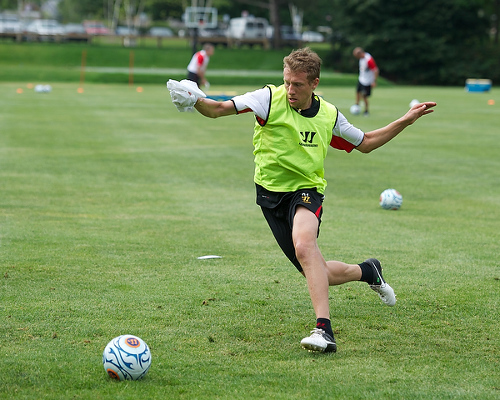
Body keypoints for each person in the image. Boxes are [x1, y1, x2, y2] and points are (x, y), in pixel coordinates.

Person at [168, 47, 436, 353]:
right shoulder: (268, 98)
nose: (290, 90)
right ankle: (367, 271)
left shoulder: (329, 115)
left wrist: (405, 120)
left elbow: (367, 143)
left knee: (305, 246)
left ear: (314, 83)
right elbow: (217, 109)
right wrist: (195, 100)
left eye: (297, 84)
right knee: (315, 268)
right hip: (270, 195)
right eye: (287, 82)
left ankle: (324, 330)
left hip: (307, 190)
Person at [353, 47, 379, 116]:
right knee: (358, 92)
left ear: (360, 54)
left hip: (367, 81)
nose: (356, 58)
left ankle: (366, 111)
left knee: (364, 96)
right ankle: (357, 106)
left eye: (356, 56)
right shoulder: (361, 59)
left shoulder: (369, 60)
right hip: (361, 79)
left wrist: (374, 81)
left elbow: (376, 70)